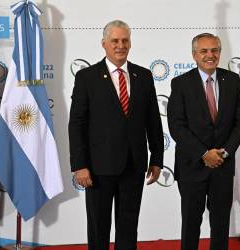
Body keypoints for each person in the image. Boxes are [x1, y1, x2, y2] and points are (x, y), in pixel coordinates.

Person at [68, 20, 163, 250]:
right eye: (115, 41)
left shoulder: (144, 76)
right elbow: (76, 124)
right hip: (98, 168)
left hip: (134, 165)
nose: (120, 45)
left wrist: (157, 159)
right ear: (104, 44)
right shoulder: (87, 77)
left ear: (130, 43)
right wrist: (80, 165)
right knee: (98, 227)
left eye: (125, 40)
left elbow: (153, 121)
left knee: (128, 227)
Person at [167, 33, 240, 250]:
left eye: (215, 50)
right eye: (204, 51)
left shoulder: (232, 81)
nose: (210, 55)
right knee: (191, 223)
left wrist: (224, 153)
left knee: (221, 224)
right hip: (192, 166)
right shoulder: (181, 83)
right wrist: (204, 154)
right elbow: (176, 126)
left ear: (220, 53)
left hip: (223, 165)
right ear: (194, 55)